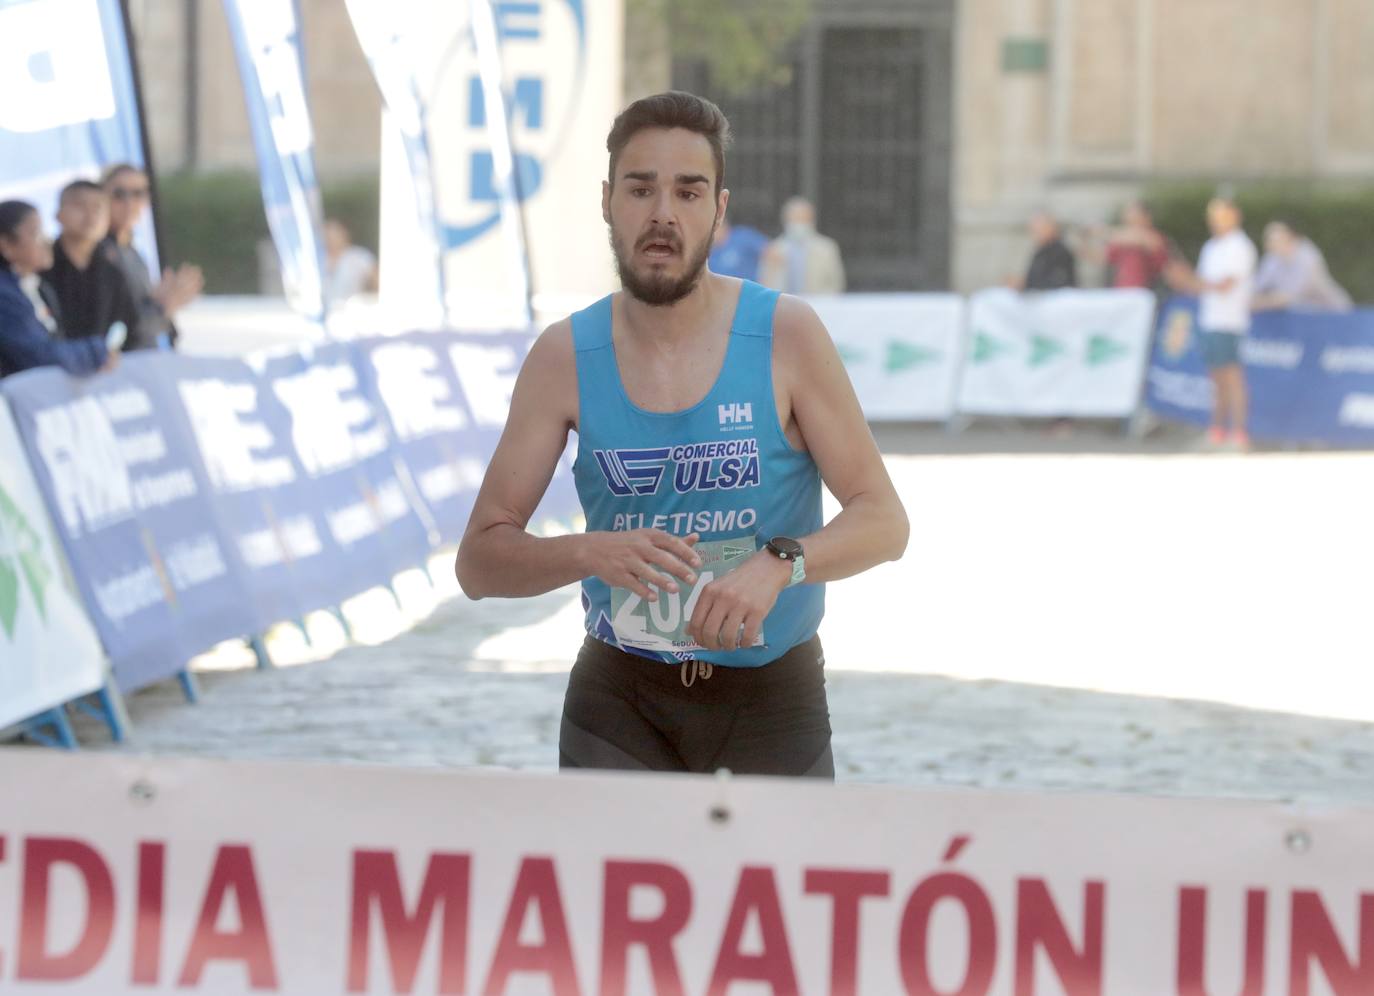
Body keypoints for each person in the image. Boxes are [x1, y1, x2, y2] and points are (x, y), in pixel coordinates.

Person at [455, 91, 909, 778]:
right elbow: (479, 562)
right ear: (608, 202)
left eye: (688, 193)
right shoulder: (564, 357)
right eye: (641, 189)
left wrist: (779, 564)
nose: (663, 213)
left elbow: (885, 522)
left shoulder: (786, 334)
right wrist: (589, 552)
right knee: (613, 890)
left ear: (719, 213)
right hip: (620, 698)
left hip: (771, 697)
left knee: (770, 890)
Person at [1165, 196, 1258, 449]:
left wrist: (1192, 282)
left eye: (1221, 215)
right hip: (1210, 320)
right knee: (1217, 380)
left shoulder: (1240, 246)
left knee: (1232, 378)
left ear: (1235, 215)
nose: (1216, 222)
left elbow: (1225, 285)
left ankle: (1239, 435)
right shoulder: (1211, 247)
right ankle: (1216, 432)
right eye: (1213, 217)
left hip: (1230, 322)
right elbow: (1203, 285)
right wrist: (1183, 280)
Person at [0, 200, 113, 378]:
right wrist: (96, 352)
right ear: (6, 244)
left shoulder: (41, 288)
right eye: (36, 233)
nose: (46, 241)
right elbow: (40, 356)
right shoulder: (5, 296)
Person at [102, 163, 203, 350]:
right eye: (119, 194)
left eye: (138, 193)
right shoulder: (98, 255)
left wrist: (163, 306)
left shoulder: (134, 253)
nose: (129, 203)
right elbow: (121, 326)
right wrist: (162, 307)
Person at [41, 180, 139, 346]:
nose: (90, 215)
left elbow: (129, 326)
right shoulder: (39, 268)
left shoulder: (112, 272)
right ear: (58, 215)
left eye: (98, 208)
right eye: (80, 206)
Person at [1252, 221, 1352, 313]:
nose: (1271, 244)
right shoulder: (1272, 258)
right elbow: (1257, 286)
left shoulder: (1308, 257)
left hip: (1332, 312)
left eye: (1276, 240)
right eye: (1269, 241)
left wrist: (1259, 303)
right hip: (1302, 315)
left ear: (1290, 239)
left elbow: (1288, 297)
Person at [758, 196, 846, 294]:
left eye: (803, 218)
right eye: (795, 218)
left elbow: (836, 283)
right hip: (783, 306)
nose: (799, 223)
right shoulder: (774, 248)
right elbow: (763, 285)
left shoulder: (826, 248)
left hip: (818, 305)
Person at [1093, 201, 1171, 290]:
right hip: (1122, 292)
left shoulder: (1154, 237)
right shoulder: (1122, 240)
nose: (1128, 217)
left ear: (1146, 216)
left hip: (1146, 293)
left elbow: (1139, 238)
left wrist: (1097, 231)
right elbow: (1100, 257)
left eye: (1133, 213)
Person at [1011, 212, 1077, 291]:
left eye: (1039, 230)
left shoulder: (1061, 252)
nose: (1036, 234)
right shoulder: (1039, 252)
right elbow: (1032, 276)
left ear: (1051, 228)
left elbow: (1058, 283)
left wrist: (1025, 285)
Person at [323, 219, 378, 303]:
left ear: (345, 234)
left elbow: (377, 281)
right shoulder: (319, 259)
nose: (330, 238)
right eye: (327, 234)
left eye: (334, 233)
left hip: (351, 311)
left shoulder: (359, 256)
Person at [708, 215, 769, 281]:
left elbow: (770, 253)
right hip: (726, 290)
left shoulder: (742, 236)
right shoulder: (709, 253)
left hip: (750, 288)